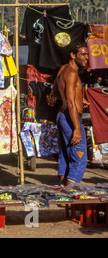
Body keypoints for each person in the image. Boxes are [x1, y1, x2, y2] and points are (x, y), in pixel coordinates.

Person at [47, 42, 89, 186]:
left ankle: (63, 192)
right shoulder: (71, 73)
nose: (86, 58)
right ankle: (70, 195)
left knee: (65, 155)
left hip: (62, 116)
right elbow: (70, 103)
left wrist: (79, 99)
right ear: (73, 55)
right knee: (79, 157)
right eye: (83, 54)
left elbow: (54, 93)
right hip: (70, 118)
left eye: (87, 54)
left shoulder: (63, 69)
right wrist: (77, 128)